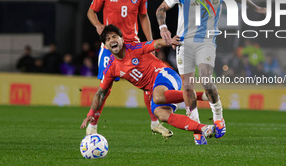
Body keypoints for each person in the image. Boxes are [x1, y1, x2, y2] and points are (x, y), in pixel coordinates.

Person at [156, 0, 266, 143]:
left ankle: (218, 116)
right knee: (188, 87)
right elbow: (161, 9)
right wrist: (163, 28)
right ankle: (197, 127)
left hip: (206, 41)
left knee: (206, 80)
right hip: (183, 42)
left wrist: (255, 9)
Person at [80, 25, 213, 145]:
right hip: (155, 91)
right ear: (106, 46)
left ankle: (201, 96)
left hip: (165, 75)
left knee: (157, 96)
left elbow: (155, 44)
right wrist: (91, 113)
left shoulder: (134, 48)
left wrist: (169, 41)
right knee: (162, 115)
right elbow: (100, 93)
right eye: (108, 39)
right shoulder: (111, 68)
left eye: (114, 36)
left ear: (122, 39)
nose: (112, 40)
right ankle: (204, 128)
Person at [86, 0, 169, 137]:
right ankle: (93, 125)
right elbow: (91, 12)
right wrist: (99, 26)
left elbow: (143, 16)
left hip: (133, 45)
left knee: (150, 83)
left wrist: (151, 42)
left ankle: (155, 123)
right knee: (104, 88)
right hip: (111, 46)